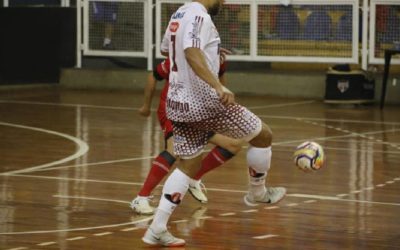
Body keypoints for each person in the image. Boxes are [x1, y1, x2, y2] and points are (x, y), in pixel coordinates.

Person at [142, 0, 286, 247]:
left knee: (188, 164)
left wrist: (210, 53)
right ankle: (257, 193)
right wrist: (216, 84)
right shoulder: (200, 16)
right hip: (203, 102)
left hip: (177, 103)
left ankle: (155, 229)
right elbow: (191, 52)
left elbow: (170, 50)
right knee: (263, 136)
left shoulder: (179, 13)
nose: (224, 2)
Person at [130, 56, 230, 215]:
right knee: (173, 149)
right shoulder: (184, 55)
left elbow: (221, 76)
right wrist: (146, 106)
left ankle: (194, 178)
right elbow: (154, 75)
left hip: (198, 112)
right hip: (174, 108)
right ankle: (141, 197)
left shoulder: (218, 56)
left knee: (233, 143)